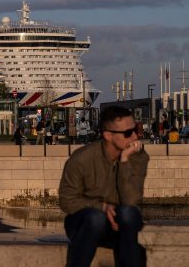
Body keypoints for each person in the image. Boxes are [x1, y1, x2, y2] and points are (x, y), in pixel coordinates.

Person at [59, 106, 149, 267]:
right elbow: (66, 200)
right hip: (85, 224)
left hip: (120, 223)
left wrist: (124, 161)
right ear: (108, 135)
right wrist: (102, 207)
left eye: (135, 129)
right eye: (128, 133)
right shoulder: (82, 158)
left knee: (127, 213)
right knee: (96, 218)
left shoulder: (138, 158)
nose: (135, 136)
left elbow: (131, 200)